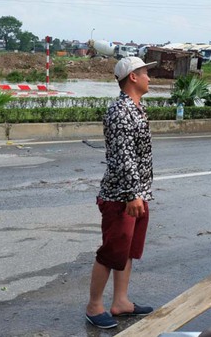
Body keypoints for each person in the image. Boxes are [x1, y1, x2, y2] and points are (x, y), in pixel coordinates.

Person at [85, 57, 157, 329]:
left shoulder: (137, 107)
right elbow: (121, 157)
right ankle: (94, 306)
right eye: (145, 73)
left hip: (137, 193)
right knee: (111, 252)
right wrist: (131, 194)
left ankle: (121, 302)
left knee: (126, 252)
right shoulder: (120, 111)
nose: (150, 77)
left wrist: (139, 193)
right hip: (121, 196)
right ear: (133, 78)